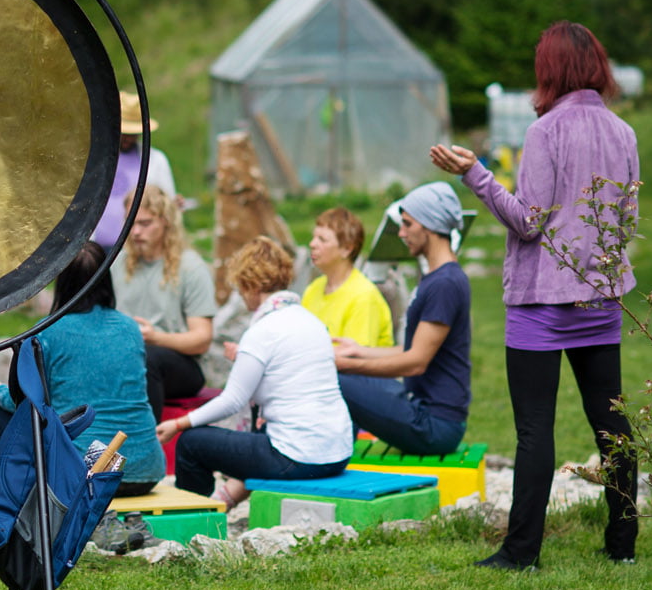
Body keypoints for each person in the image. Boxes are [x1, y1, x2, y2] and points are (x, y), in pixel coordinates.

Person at [431, 20, 640, 569]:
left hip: (541, 306)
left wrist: (476, 174)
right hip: (600, 300)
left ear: (550, 70)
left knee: (533, 429)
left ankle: (521, 553)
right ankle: (623, 547)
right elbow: (627, 220)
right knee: (612, 426)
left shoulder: (544, 132)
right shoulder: (624, 133)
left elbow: (528, 223)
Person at [156, 238, 353, 503]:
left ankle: (195, 521)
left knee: (192, 442)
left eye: (240, 287)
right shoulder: (310, 320)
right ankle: (223, 500)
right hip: (337, 454)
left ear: (251, 285)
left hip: (297, 457)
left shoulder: (262, 330)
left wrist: (178, 424)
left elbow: (232, 400)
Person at [0, 242, 165, 496]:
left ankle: (4, 506)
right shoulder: (130, 328)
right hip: (144, 473)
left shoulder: (46, 332)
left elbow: (28, 405)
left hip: (84, 476)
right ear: (106, 278)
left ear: (61, 281)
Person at [333, 183, 472, 456]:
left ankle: (322, 455)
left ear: (429, 226)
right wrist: (359, 352)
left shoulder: (444, 283)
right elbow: (415, 350)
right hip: (423, 411)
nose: (401, 232)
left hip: (434, 427)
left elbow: (415, 363)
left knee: (331, 377)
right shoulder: (439, 277)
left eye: (407, 224)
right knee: (339, 374)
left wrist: (346, 365)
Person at [113, 183, 216, 420]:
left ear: (165, 222)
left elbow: (201, 340)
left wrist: (156, 337)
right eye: (131, 223)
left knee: (146, 358)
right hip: (126, 355)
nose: (136, 232)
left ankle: (147, 441)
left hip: (181, 362)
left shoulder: (190, 267)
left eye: (145, 223)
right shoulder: (118, 264)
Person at [91, 91, 178, 247]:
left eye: (133, 133)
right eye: (124, 133)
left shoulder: (156, 161)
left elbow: (167, 204)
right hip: (94, 247)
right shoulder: (94, 157)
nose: (127, 138)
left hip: (137, 247)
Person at [301, 206, 394, 347]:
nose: (312, 244)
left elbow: (355, 360)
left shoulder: (363, 296)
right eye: (314, 237)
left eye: (322, 240)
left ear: (347, 249)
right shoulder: (312, 289)